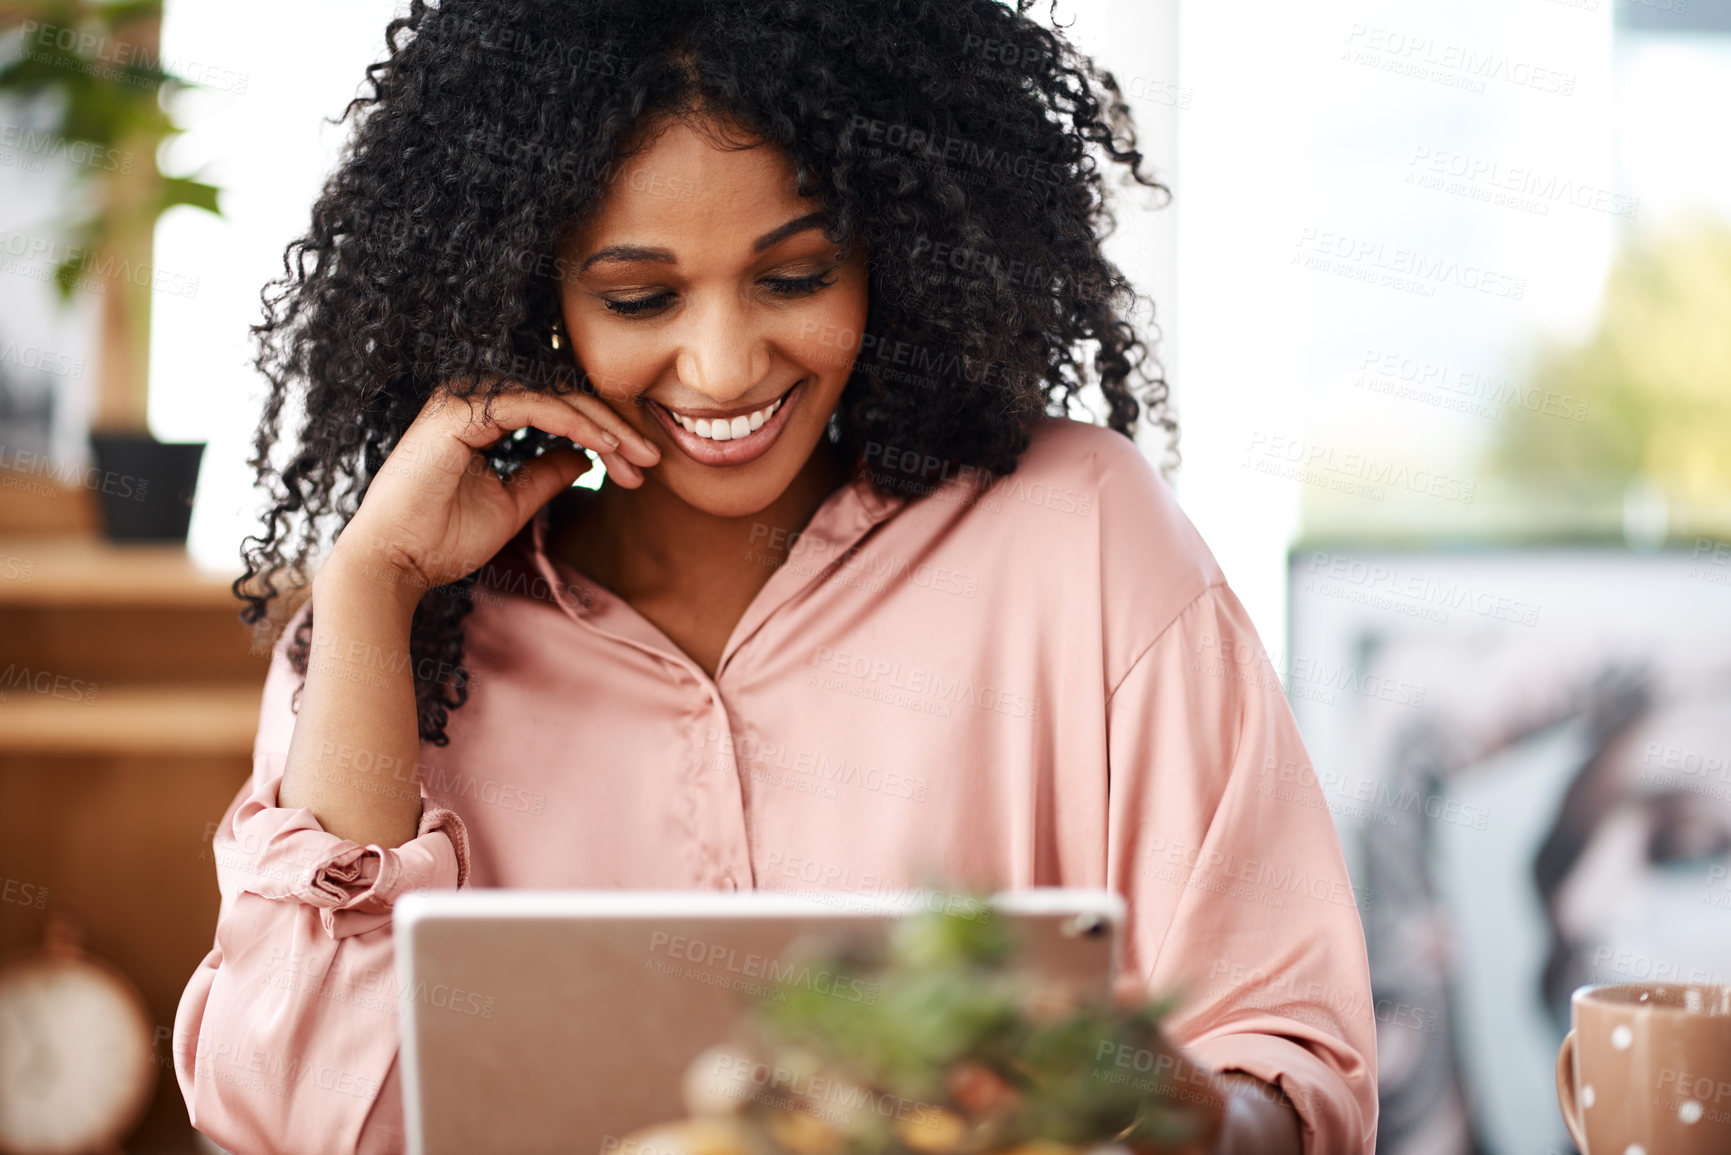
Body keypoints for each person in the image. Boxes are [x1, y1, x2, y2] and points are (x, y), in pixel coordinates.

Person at [172, 2, 1377, 1152]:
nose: (724, 363)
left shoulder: (1087, 541)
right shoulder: (395, 643)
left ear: (890, 248)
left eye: (795, 275)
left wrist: (1200, 1121)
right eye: (639, 296)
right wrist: (373, 580)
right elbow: (293, 1120)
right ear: (533, 287)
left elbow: (1289, 1059)